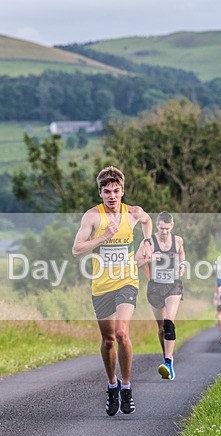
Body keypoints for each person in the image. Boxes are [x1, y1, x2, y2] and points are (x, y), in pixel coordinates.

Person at [72, 166, 152, 416]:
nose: (112, 196)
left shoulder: (134, 213)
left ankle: (126, 387)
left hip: (127, 280)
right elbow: (76, 249)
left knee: (121, 332)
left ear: (122, 191)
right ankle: (112, 385)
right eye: (106, 192)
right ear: (100, 193)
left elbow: (148, 221)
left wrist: (147, 242)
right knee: (107, 340)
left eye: (116, 191)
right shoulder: (92, 217)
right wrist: (104, 237)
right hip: (101, 285)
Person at [142, 212, 186, 380]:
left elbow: (182, 253)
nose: (164, 232)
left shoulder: (178, 240)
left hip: (173, 286)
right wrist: (150, 257)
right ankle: (166, 357)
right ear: (157, 225)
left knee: (168, 323)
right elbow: (137, 261)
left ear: (172, 226)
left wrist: (182, 264)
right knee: (161, 328)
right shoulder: (149, 242)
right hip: (154, 288)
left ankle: (168, 363)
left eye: (167, 229)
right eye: (161, 229)